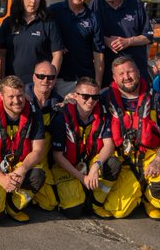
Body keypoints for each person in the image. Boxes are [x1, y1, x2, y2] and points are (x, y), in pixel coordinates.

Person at [97, 56, 160, 219]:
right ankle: (137, 193)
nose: (126, 77)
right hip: (122, 161)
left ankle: (149, 200)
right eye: (121, 74)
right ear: (114, 78)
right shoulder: (104, 97)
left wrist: (159, 159)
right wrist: (71, 99)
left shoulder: (156, 98)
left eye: (130, 72)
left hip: (149, 157)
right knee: (118, 212)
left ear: (138, 72)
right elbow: (83, 106)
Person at [0, 76, 47, 224]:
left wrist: (22, 170)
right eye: (11, 97)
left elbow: (38, 150)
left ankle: (13, 207)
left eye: (20, 95)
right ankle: (1, 200)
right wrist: (1, 178)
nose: (17, 101)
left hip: (18, 166)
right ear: (1, 96)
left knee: (38, 174)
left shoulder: (34, 114)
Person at [49, 77, 116, 219]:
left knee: (113, 163)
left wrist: (96, 166)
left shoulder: (103, 114)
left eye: (95, 97)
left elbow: (109, 145)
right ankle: (70, 194)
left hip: (90, 163)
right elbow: (57, 156)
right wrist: (82, 178)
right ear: (75, 96)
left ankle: (96, 203)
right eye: (85, 96)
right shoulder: (62, 116)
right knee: (74, 212)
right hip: (67, 166)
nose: (90, 101)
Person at [91, 0, 154, 86]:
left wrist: (128, 41)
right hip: (107, 72)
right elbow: (88, 32)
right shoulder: (96, 4)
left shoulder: (136, 5)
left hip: (135, 70)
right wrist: (105, 40)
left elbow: (148, 37)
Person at [49, 0, 104, 96]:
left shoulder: (93, 17)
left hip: (83, 77)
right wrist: (56, 45)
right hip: (58, 76)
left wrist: (98, 83)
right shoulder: (53, 11)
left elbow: (98, 53)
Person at [0, 0, 64, 85]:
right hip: (12, 84)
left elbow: (57, 54)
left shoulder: (48, 23)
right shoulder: (9, 22)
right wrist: (2, 79)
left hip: (39, 84)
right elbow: (2, 54)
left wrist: (50, 79)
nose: (33, 1)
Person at [26, 61, 65, 211]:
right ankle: (12, 204)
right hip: (18, 159)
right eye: (41, 76)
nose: (45, 80)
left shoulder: (59, 104)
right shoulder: (20, 100)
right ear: (33, 77)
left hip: (42, 163)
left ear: (55, 80)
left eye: (50, 77)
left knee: (50, 204)